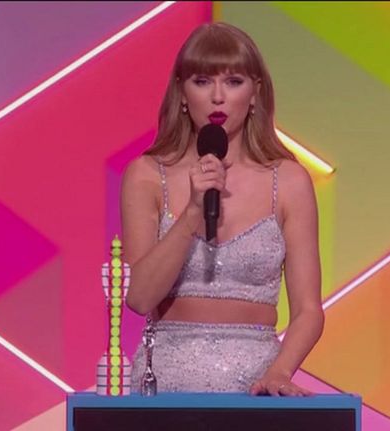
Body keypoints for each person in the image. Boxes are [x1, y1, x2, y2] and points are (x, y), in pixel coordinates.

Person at [121, 22, 323, 396]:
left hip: (257, 384)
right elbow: (140, 297)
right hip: (165, 383)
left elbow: (309, 311)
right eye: (202, 81)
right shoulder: (147, 175)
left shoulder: (289, 181)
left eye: (233, 81)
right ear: (182, 92)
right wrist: (192, 213)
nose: (218, 97)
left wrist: (278, 374)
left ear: (255, 93)